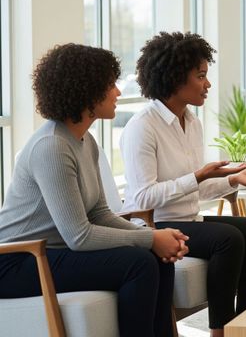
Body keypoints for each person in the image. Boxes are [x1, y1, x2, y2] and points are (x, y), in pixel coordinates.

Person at [0, 44, 187, 337]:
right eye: (111, 84)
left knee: (157, 260)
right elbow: (79, 236)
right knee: (139, 263)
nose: (118, 93)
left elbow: (99, 213)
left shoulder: (85, 142)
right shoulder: (52, 146)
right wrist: (150, 237)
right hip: (17, 261)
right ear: (87, 90)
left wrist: (153, 240)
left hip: (51, 253)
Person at [120, 32, 246, 337]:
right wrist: (199, 176)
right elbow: (141, 198)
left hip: (190, 219)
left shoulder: (191, 122)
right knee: (227, 238)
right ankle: (221, 330)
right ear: (175, 78)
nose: (208, 84)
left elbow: (195, 188)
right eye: (201, 76)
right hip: (158, 224)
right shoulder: (143, 127)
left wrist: (233, 179)